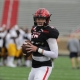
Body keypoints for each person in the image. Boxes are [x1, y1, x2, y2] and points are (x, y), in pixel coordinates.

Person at [23, 8, 59, 80]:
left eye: (42, 19)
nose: (39, 21)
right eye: (38, 19)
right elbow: (35, 43)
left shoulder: (50, 32)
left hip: (44, 66)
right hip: (34, 65)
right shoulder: (34, 28)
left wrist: (37, 49)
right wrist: (29, 47)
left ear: (47, 19)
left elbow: (55, 55)